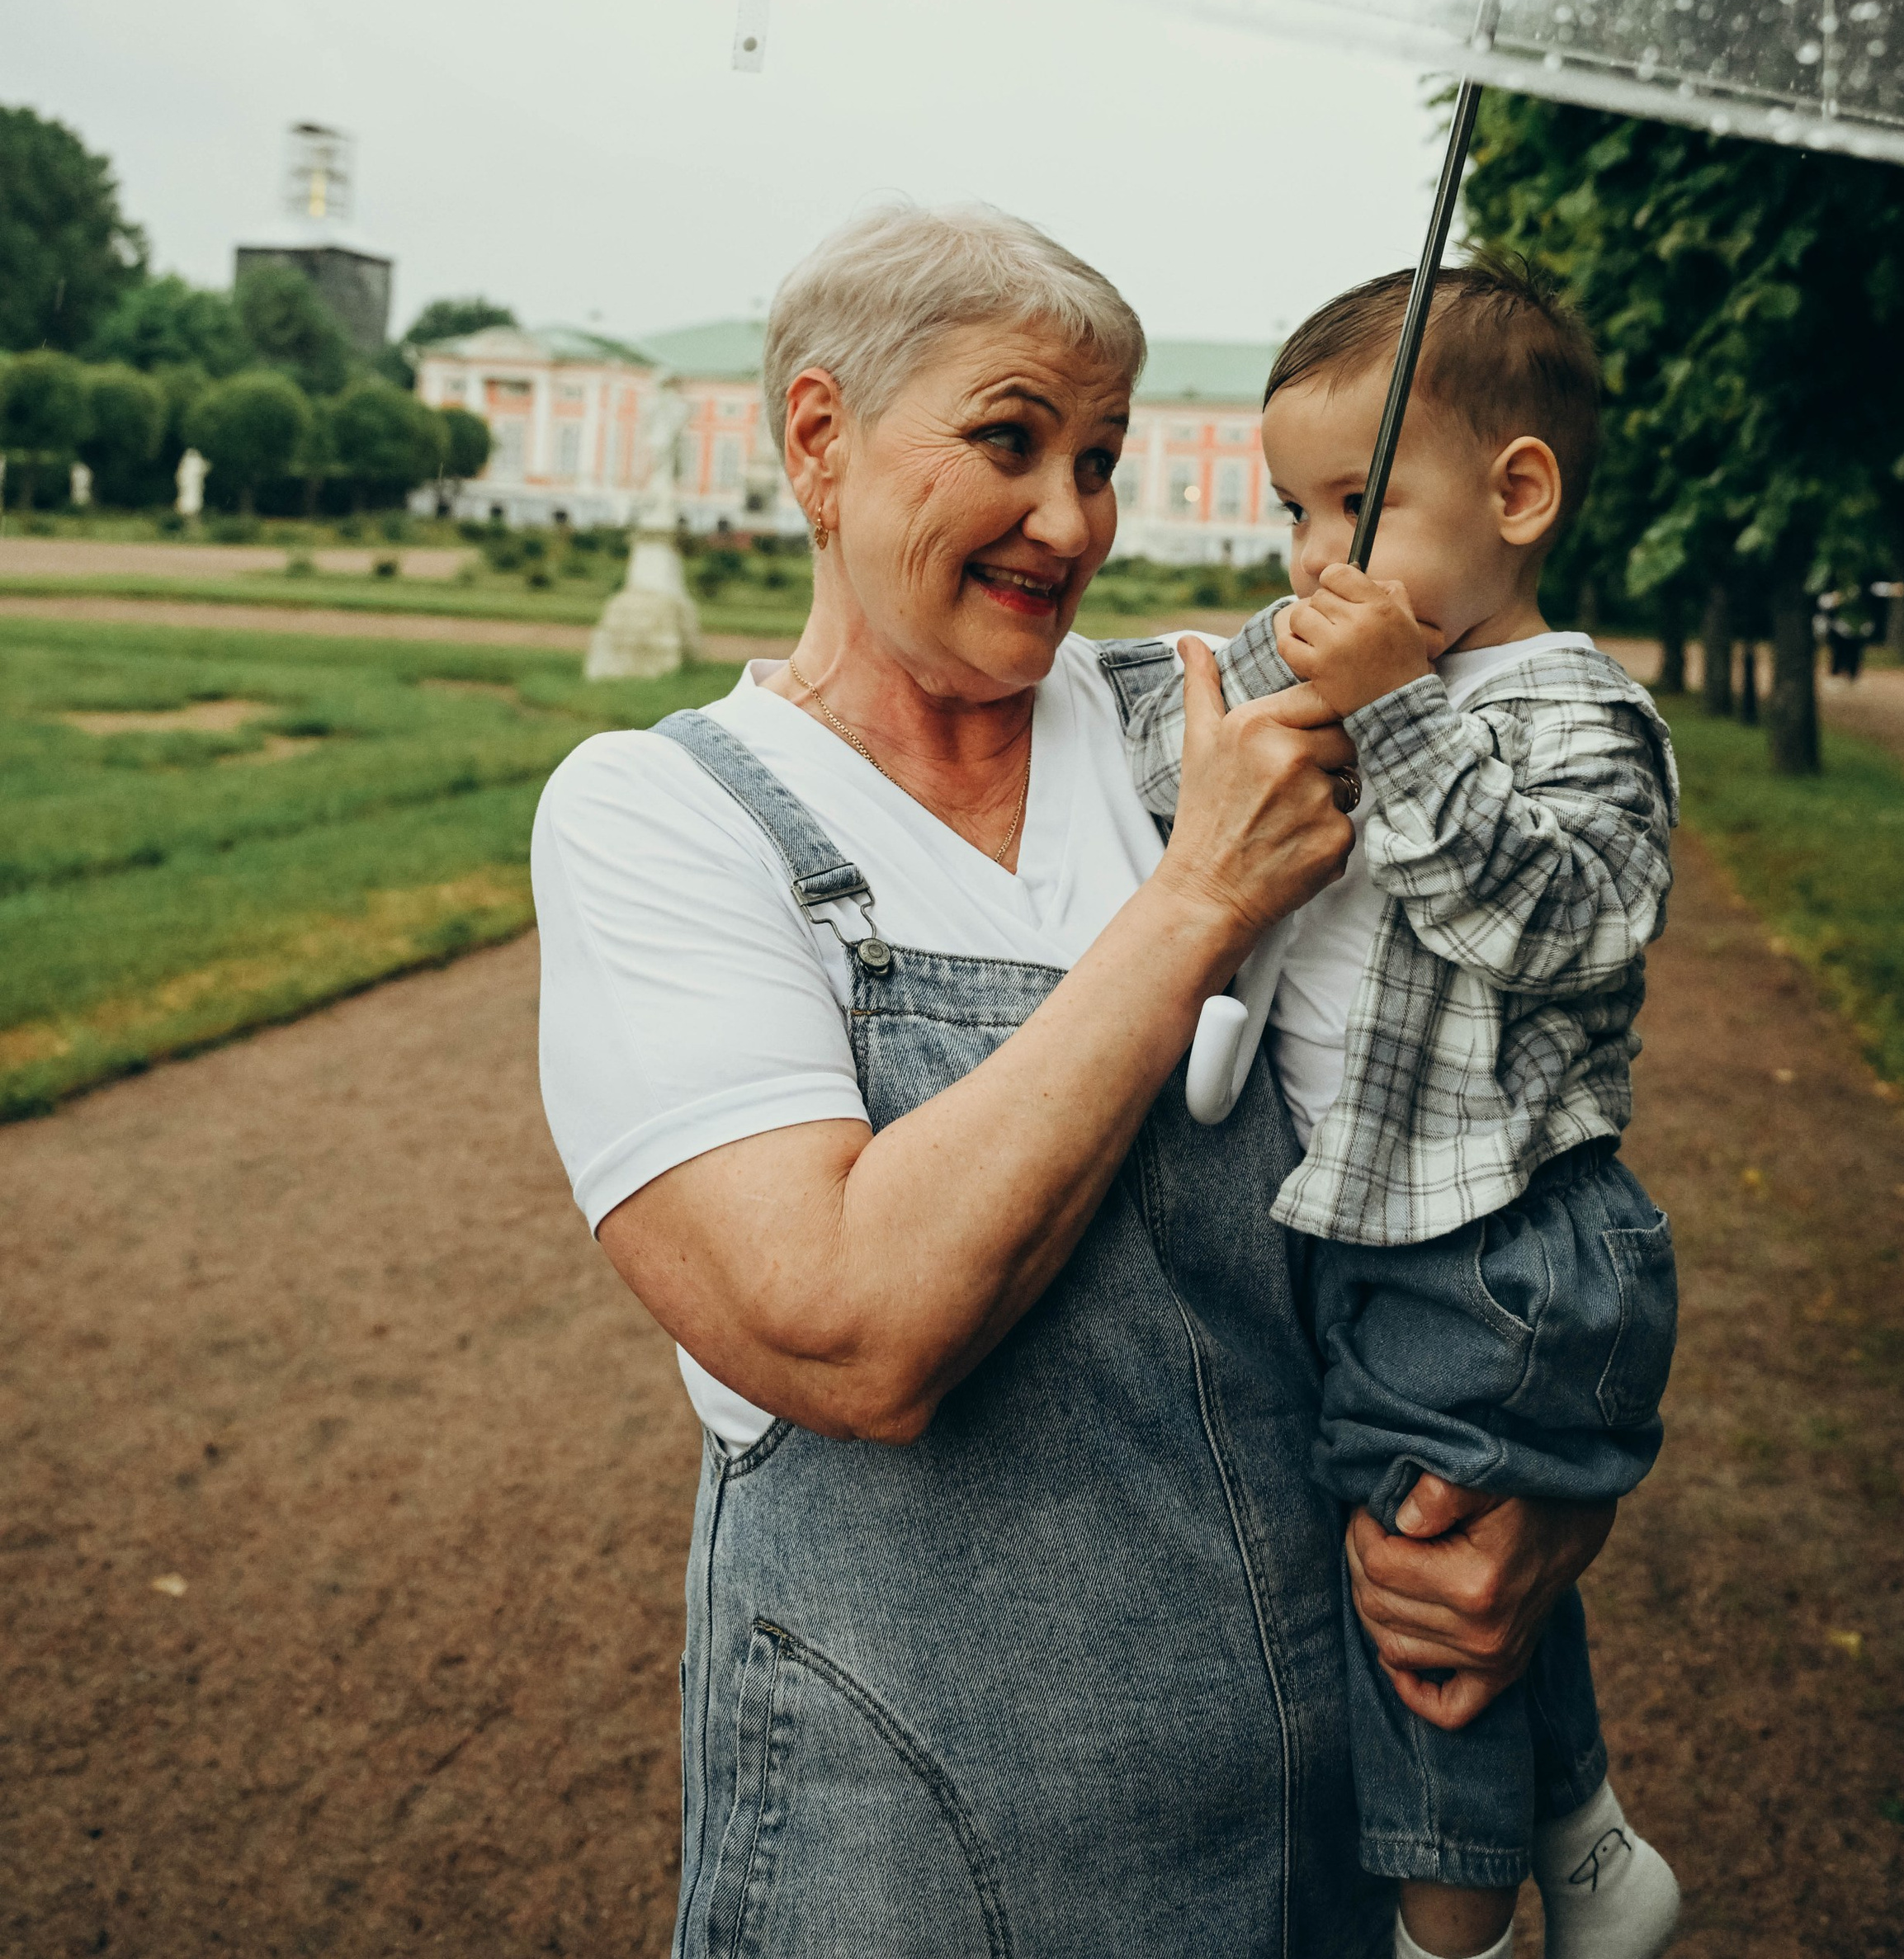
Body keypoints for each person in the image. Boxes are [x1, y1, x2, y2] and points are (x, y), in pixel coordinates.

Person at [530, 201, 1616, 1959]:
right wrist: (1198, 901)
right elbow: (840, 1329)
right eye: (1009, 441)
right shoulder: (661, 815)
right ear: (818, 439)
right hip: (915, 1864)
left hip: (1321, 1836)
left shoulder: (1193, 726)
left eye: (1100, 458)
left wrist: (1541, 1490)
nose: (1072, 520)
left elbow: (1504, 1114)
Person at [1114, 256, 1681, 1959]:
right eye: (1293, 507)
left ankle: (1451, 1937)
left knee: (1416, 1588)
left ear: (1515, 495)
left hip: (1498, 1245)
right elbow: (1168, 730)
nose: (1308, 554)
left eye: (1358, 502)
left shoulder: (1578, 715)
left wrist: (1395, 715)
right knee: (1452, 1542)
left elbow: (1559, 927)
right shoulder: (1366, 670)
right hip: (1385, 1229)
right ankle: (1581, 1844)